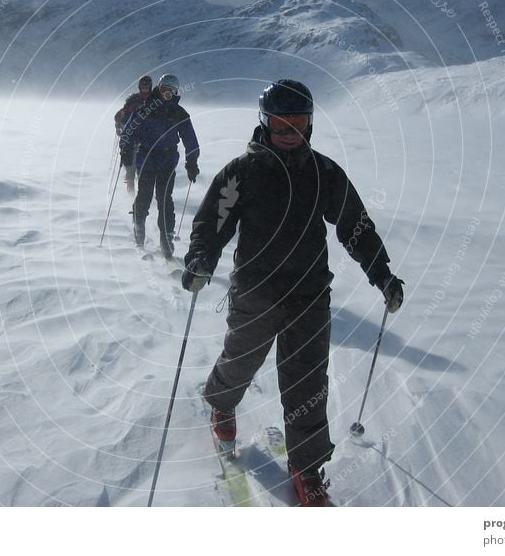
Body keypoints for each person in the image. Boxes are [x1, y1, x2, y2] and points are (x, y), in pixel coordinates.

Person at [181, 79, 404, 507]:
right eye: (281, 124)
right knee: (241, 358)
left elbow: (355, 227)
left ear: (310, 124)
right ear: (265, 123)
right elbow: (212, 222)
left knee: (307, 383)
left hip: (309, 295)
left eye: (297, 123)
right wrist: (200, 260)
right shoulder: (241, 172)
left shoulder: (324, 173)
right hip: (256, 291)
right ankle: (222, 404)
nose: (289, 134)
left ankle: (307, 469)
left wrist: (384, 276)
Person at [120, 73, 200, 259]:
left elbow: (190, 138)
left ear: (176, 92)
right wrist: (125, 150)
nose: (168, 94)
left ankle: (166, 239)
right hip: (146, 158)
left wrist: (192, 161)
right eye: (165, 90)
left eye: (172, 91)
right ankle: (139, 232)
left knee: (165, 200)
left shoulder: (179, 113)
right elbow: (129, 131)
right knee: (145, 195)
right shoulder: (145, 108)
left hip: (168, 160)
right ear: (159, 89)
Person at [114, 75, 153, 196]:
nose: (145, 89)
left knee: (144, 169)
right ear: (139, 87)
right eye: (143, 87)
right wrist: (123, 126)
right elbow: (124, 116)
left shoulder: (155, 100)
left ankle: (143, 195)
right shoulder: (133, 100)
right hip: (132, 138)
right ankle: (130, 195)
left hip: (147, 140)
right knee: (130, 167)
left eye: (147, 87)